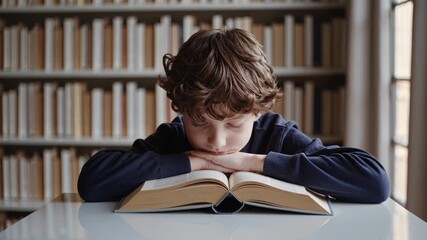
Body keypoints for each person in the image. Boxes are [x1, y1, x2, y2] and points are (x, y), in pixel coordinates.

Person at [78, 28, 390, 203]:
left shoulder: (277, 136)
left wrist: (256, 162)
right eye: (200, 122)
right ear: (180, 108)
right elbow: (92, 181)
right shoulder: (175, 138)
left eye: (233, 124)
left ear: (258, 111)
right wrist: (191, 161)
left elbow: (374, 181)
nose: (217, 141)